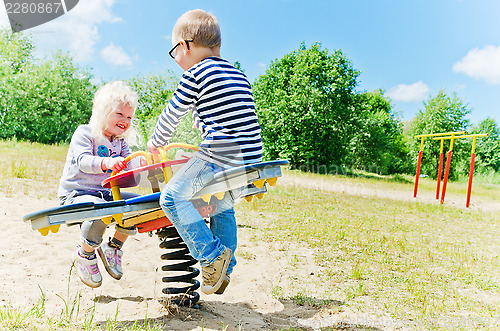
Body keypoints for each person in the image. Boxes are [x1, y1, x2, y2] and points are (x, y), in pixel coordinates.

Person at [148, 9, 262, 295]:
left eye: (174, 52)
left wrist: (156, 142)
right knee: (222, 206)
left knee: (172, 198)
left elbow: (173, 113)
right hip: (250, 158)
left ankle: (212, 257)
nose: (176, 60)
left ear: (185, 46)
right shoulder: (239, 74)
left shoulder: (197, 73)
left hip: (220, 153)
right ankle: (226, 267)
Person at [58, 81, 143, 288]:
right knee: (102, 209)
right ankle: (85, 253)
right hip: (77, 193)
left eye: (129, 117)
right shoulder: (86, 133)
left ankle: (114, 246)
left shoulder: (121, 143)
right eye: (119, 114)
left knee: (139, 206)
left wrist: (142, 165)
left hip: (104, 194)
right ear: (103, 112)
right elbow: (83, 161)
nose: (125, 120)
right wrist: (107, 162)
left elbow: (131, 170)